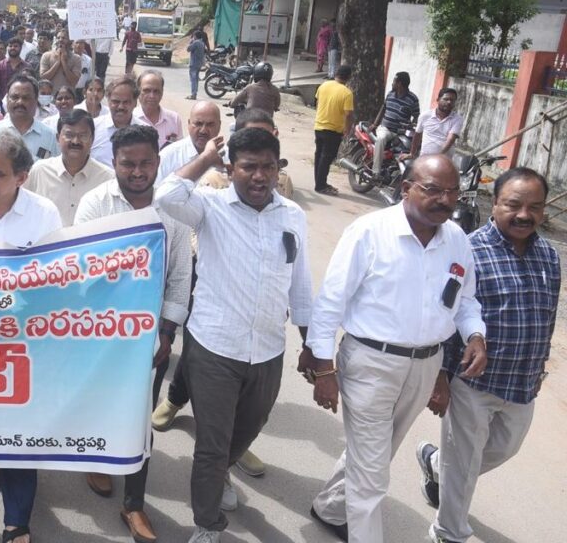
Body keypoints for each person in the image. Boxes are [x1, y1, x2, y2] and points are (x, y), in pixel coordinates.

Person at [304, 155, 488, 543]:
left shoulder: (456, 239)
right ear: (406, 189)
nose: (445, 199)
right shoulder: (369, 232)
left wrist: (475, 336)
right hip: (370, 362)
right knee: (372, 477)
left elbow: (464, 302)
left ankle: (329, 507)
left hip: (425, 364)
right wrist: (323, 370)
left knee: (377, 452)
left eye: (453, 191)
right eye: (433, 189)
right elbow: (331, 303)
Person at [156, 127, 313, 543]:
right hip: (214, 347)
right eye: (249, 167)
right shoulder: (208, 206)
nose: (259, 176)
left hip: (267, 349)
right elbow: (166, 195)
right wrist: (206, 157)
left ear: (277, 168)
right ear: (232, 169)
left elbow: (299, 283)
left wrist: (311, 344)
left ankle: (223, 471)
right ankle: (207, 524)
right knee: (212, 442)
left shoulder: (292, 217)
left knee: (248, 428)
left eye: (268, 167)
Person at [415, 168, 559, 543]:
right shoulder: (469, 250)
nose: (524, 214)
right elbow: (450, 314)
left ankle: (434, 463)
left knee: (504, 448)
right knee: (462, 466)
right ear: (493, 204)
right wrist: (441, 376)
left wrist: (540, 361)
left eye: (535, 207)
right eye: (513, 204)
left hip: (522, 381)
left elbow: (547, 312)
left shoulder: (549, 255)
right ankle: (448, 532)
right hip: (472, 381)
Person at [75, 125, 191, 543]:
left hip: (148, 340)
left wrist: (167, 331)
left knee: (139, 418)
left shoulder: (174, 213)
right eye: (128, 163)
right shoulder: (94, 204)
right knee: (98, 403)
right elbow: (80, 269)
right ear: (115, 163)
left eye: (146, 163)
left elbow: (180, 278)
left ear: (158, 163)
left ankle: (134, 505)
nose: (138, 171)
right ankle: (97, 460)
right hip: (98, 333)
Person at [25, 109, 115, 226]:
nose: (75, 141)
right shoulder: (40, 171)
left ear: (92, 140)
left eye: (82, 136)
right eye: (69, 135)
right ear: (58, 138)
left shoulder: (107, 178)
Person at [0, 75, 59, 160]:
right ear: (7, 99)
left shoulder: (50, 136)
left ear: (36, 100)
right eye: (15, 97)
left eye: (26, 98)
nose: (20, 102)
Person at [155, 101, 221, 185]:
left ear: (219, 125)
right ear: (189, 124)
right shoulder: (168, 156)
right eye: (198, 124)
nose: (203, 131)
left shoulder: (229, 156)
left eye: (210, 125)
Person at [313, 64, 354, 196]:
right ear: (348, 77)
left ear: (336, 74)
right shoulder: (347, 93)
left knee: (319, 155)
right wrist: (347, 129)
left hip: (319, 126)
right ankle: (320, 185)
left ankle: (319, 182)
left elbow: (318, 102)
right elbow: (348, 114)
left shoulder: (324, 85)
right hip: (333, 129)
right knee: (326, 158)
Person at [371, 71, 420, 177]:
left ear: (400, 84)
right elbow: (383, 108)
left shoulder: (413, 99)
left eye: (394, 81)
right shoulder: (390, 94)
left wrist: (412, 124)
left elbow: (417, 115)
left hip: (401, 132)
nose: (392, 83)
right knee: (381, 139)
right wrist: (375, 124)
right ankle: (375, 172)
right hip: (386, 128)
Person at [90, 75, 141, 167]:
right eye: (116, 102)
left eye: (126, 102)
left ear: (135, 103)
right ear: (108, 101)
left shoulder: (145, 131)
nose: (121, 107)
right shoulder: (93, 127)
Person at [134, 70, 183, 148]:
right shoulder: (130, 119)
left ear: (162, 92)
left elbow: (180, 150)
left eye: (156, 91)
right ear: (138, 91)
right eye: (147, 90)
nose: (152, 96)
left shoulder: (174, 119)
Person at [412, 88, 464, 158]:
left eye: (452, 100)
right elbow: (417, 135)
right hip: (424, 159)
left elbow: (450, 139)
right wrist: (412, 153)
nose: (449, 102)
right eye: (446, 99)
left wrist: (437, 157)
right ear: (438, 100)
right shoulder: (425, 116)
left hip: (444, 162)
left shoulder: (457, 119)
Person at [187, 31, 207, 100]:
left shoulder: (196, 43)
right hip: (199, 63)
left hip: (194, 63)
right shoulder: (202, 43)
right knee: (196, 79)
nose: (193, 37)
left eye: (193, 36)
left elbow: (188, 49)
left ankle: (193, 94)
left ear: (195, 36)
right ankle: (194, 93)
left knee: (193, 79)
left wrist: (191, 41)